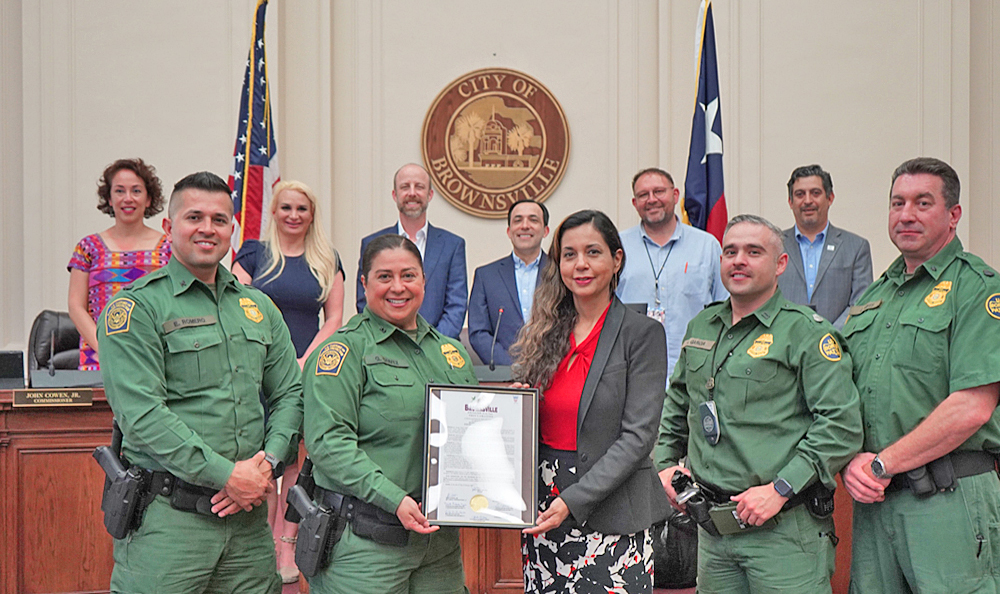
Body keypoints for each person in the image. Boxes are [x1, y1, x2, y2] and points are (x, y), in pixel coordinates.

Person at [98, 171, 303, 594]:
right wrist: (226, 474)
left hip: (248, 527)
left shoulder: (258, 307)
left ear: (232, 230)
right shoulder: (137, 307)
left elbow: (290, 394)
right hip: (170, 525)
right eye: (194, 217)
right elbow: (141, 415)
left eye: (219, 219)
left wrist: (268, 464)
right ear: (169, 227)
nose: (207, 228)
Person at [655, 214, 862, 594]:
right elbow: (678, 403)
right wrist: (665, 464)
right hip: (712, 530)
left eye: (753, 252)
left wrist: (781, 488)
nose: (739, 260)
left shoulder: (806, 332)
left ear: (780, 264)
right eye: (730, 251)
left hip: (782, 531)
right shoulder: (702, 326)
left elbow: (841, 425)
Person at [840, 157, 1000, 593]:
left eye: (922, 203)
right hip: (875, 501)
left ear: (953, 214)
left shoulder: (978, 287)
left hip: (948, 499)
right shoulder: (875, 296)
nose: (906, 214)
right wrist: (851, 462)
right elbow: (844, 395)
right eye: (898, 203)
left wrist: (881, 463)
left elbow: (972, 406)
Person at [303, 234, 478, 594]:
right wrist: (393, 499)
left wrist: (507, 412)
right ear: (364, 283)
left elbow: (471, 435)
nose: (398, 287)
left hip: (439, 548)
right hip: (366, 546)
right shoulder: (344, 351)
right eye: (384, 276)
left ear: (424, 281)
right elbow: (327, 444)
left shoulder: (451, 354)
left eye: (408, 275)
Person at [512, 209, 670, 594]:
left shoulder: (642, 334)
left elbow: (638, 437)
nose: (580, 264)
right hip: (545, 508)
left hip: (612, 510)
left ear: (616, 259)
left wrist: (573, 500)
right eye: (569, 255)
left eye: (593, 252)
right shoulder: (544, 334)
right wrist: (516, 408)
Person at [232, 179, 344, 583]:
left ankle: (287, 545)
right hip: (256, 369)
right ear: (274, 212)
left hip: (304, 369)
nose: (294, 215)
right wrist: (274, 361)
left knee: (295, 459)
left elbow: (334, 318)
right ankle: (259, 544)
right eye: (286, 208)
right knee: (261, 456)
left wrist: (303, 360)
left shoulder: (326, 258)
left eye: (302, 209)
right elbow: (235, 305)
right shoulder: (253, 254)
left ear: (311, 215)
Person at [616, 167, 727, 379]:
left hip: (696, 369)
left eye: (659, 191)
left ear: (675, 195)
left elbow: (725, 306)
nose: (651, 199)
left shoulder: (706, 245)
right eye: (643, 195)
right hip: (634, 370)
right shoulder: (618, 247)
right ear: (635, 203)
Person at [67, 158, 171, 370]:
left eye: (136, 191)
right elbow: (76, 306)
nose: (128, 198)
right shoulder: (88, 247)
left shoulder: (170, 247)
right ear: (109, 198)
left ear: (149, 199)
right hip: (99, 360)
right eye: (120, 191)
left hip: (154, 357)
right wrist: (105, 348)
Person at [356, 163, 467, 338]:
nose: (412, 193)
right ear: (395, 195)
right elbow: (365, 301)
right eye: (405, 187)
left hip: (438, 347)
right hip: (384, 345)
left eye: (419, 187)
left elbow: (456, 305)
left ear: (430, 195)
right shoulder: (372, 244)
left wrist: (431, 344)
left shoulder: (452, 245)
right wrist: (392, 342)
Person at [778, 164, 872, 328]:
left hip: (839, 340)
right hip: (784, 341)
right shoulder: (774, 246)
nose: (808, 201)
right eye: (800, 194)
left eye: (815, 193)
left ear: (830, 198)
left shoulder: (856, 247)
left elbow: (860, 303)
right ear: (790, 202)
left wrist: (829, 337)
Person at [468, 199, 549, 366]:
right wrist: (510, 367)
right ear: (509, 231)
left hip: (553, 371)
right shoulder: (486, 276)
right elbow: (478, 332)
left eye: (533, 220)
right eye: (518, 220)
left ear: (545, 231)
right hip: (504, 373)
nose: (525, 226)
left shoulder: (560, 272)